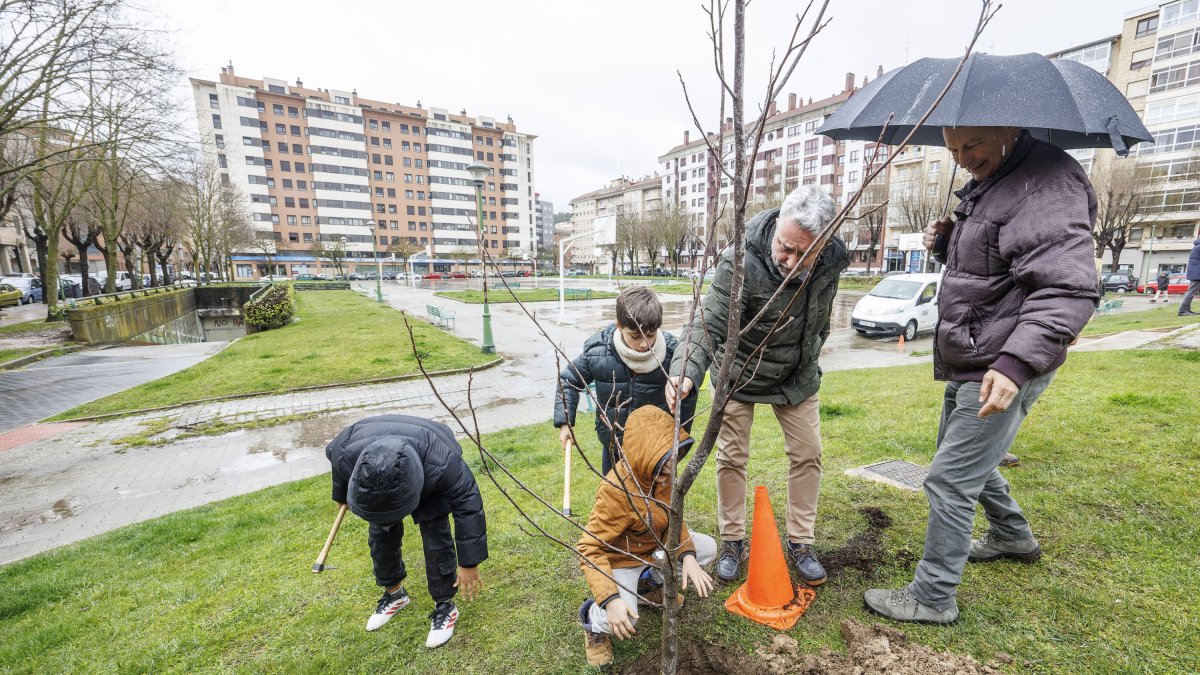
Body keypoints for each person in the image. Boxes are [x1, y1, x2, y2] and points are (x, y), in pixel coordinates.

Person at [864, 126, 1100, 624]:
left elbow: (1067, 288)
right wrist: (947, 243)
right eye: (952, 150)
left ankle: (932, 597)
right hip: (978, 352)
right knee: (963, 453)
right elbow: (992, 267)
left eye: (972, 146)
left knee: (950, 478)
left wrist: (1015, 365)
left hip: (1002, 360)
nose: (963, 160)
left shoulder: (1044, 183)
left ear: (1007, 130)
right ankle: (1012, 535)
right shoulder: (1000, 178)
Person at [665, 184, 848, 586]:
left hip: (797, 373)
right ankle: (732, 541)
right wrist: (685, 370)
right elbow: (707, 323)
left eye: (805, 253)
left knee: (808, 453)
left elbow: (819, 313)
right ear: (777, 225)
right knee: (732, 456)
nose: (791, 260)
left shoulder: (833, 258)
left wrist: (814, 346)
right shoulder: (739, 261)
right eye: (786, 247)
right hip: (740, 372)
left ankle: (801, 541)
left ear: (825, 244)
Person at [325, 415, 487, 647]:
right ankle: (395, 594)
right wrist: (342, 495)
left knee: (436, 538)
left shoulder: (443, 463)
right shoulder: (344, 449)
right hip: (374, 448)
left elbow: (469, 505)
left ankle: (445, 605)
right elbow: (338, 466)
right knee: (381, 537)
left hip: (429, 459)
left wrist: (470, 563)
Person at [577, 406, 715, 668]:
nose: (671, 470)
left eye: (674, 459)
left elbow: (675, 518)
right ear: (643, 457)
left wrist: (687, 555)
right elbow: (588, 548)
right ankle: (594, 619)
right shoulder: (616, 491)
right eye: (663, 464)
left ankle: (647, 588)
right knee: (625, 618)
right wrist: (611, 599)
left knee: (706, 548)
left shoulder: (665, 475)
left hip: (653, 551)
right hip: (622, 559)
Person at [554, 286, 696, 476]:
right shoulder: (598, 352)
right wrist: (565, 423)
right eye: (635, 336)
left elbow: (686, 399)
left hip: (656, 451)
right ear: (619, 326)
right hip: (614, 447)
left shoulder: (672, 355)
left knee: (654, 504)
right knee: (615, 499)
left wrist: (676, 447)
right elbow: (568, 380)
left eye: (651, 335)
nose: (644, 344)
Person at [1178, 237, 1200, 316]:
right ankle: (1182, 311)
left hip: (1196, 272)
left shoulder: (1197, 246)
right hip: (1197, 273)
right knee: (1191, 292)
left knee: (1191, 292)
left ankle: (1187, 310)